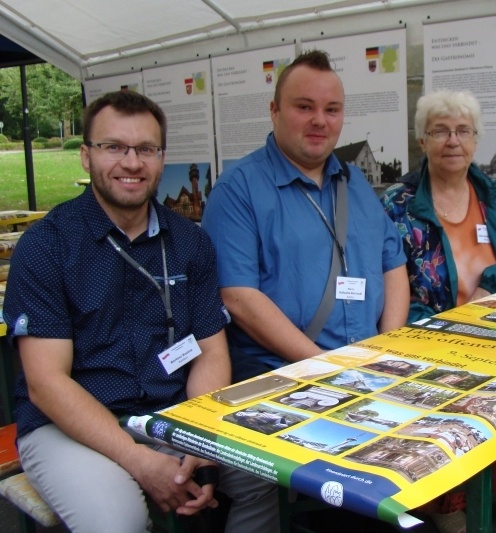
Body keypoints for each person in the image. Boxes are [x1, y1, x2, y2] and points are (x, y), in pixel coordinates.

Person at [2, 91, 277, 533]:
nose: (131, 163)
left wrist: (201, 437)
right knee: (118, 520)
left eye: (145, 149)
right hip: (68, 424)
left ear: (161, 158)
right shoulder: (48, 246)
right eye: (114, 147)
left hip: (169, 411)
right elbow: (47, 384)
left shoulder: (190, 242)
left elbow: (209, 351)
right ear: (86, 156)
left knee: (260, 472)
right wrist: (140, 461)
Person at [382, 89, 496, 533]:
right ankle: (448, 502)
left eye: (463, 130)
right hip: (431, 338)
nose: (452, 140)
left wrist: (492, 282)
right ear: (421, 141)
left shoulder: (495, 197)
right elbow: (385, 279)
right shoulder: (397, 205)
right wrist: (440, 325)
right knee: (447, 408)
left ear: (476, 140)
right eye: (439, 131)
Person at [203, 49, 409, 381]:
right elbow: (239, 298)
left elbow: (393, 265)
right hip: (288, 377)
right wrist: (328, 367)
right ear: (274, 111)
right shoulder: (237, 189)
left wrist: (387, 351)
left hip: (370, 370)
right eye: (304, 107)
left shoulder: (355, 182)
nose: (319, 120)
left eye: (332, 110)